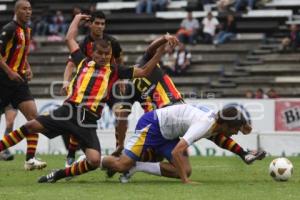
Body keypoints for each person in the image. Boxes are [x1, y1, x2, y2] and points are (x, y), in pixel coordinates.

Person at [0, 13, 170, 183]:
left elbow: (145, 71)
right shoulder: (82, 61)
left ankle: (57, 175)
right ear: (93, 53)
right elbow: (69, 38)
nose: (104, 57)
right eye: (100, 53)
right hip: (68, 111)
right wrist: (76, 18)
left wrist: (160, 51)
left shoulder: (115, 70)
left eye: (107, 54)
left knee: (95, 161)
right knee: (29, 126)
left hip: (87, 121)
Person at [101, 104, 266, 184]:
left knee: (184, 170)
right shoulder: (203, 125)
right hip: (152, 125)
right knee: (122, 165)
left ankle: (137, 166)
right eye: (235, 130)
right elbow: (176, 152)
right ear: (224, 125)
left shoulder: (218, 121)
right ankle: (95, 161)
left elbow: (223, 137)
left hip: (167, 133)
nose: (235, 133)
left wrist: (243, 147)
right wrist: (185, 181)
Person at [61, 11, 124, 166]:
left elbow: (119, 60)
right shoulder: (83, 44)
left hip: (110, 87)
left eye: (103, 24)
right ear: (90, 24)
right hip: (91, 91)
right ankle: (70, 154)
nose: (100, 27)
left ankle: (118, 152)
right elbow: (71, 63)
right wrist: (65, 81)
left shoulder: (112, 42)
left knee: (121, 115)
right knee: (80, 119)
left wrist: (121, 79)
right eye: (97, 23)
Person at [0, 0, 46, 170]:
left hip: (19, 82)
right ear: (16, 11)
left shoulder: (27, 30)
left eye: (30, 9)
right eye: (24, 9)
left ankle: (30, 159)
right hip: (3, 80)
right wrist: (9, 71)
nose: (28, 12)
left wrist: (27, 68)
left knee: (34, 119)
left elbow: (21, 53)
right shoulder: (9, 29)